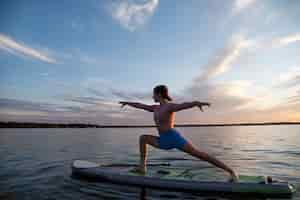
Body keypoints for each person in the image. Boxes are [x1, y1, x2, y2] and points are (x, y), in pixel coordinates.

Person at [119, 85, 239, 182]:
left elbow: (183, 105)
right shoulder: (155, 108)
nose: (152, 96)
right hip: (163, 140)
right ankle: (142, 167)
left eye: (153, 94)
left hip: (174, 138)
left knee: (200, 155)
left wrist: (196, 103)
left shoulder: (169, 106)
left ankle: (231, 172)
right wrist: (128, 103)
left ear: (159, 94)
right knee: (143, 138)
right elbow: (141, 106)